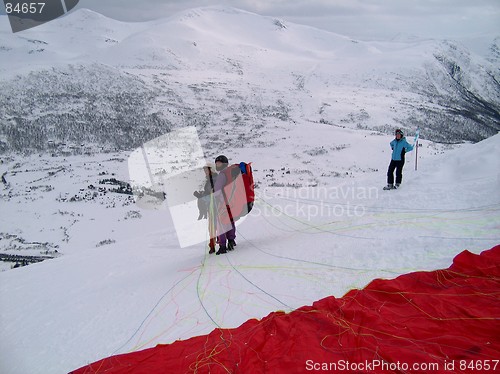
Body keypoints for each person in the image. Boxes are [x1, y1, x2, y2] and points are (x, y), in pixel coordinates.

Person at [213, 155, 237, 255]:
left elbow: (217, 191)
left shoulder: (222, 175)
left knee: (221, 224)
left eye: (218, 163)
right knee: (230, 222)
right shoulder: (231, 173)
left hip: (223, 203)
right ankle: (231, 240)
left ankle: (222, 246)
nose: (217, 165)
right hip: (232, 202)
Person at [193, 165, 218, 254]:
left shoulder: (214, 180)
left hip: (214, 207)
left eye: (206, 170)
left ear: (211, 170)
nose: (205, 172)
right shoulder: (211, 179)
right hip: (212, 206)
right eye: (204, 170)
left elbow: (213, 195)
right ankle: (216, 244)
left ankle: (213, 246)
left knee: (213, 226)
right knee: (214, 226)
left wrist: (200, 196)